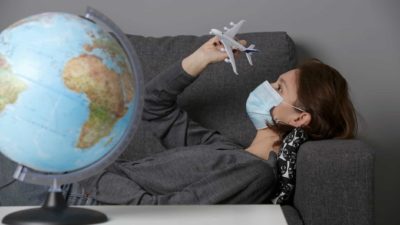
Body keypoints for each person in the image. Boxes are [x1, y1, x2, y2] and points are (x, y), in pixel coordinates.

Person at [64, 36, 357, 205]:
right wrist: (201, 58)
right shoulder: (226, 149)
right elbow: (152, 107)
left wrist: (94, 180)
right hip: (78, 182)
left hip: (82, 195)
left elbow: (165, 213)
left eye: (279, 88)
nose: (266, 87)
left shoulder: (256, 173)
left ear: (299, 117)